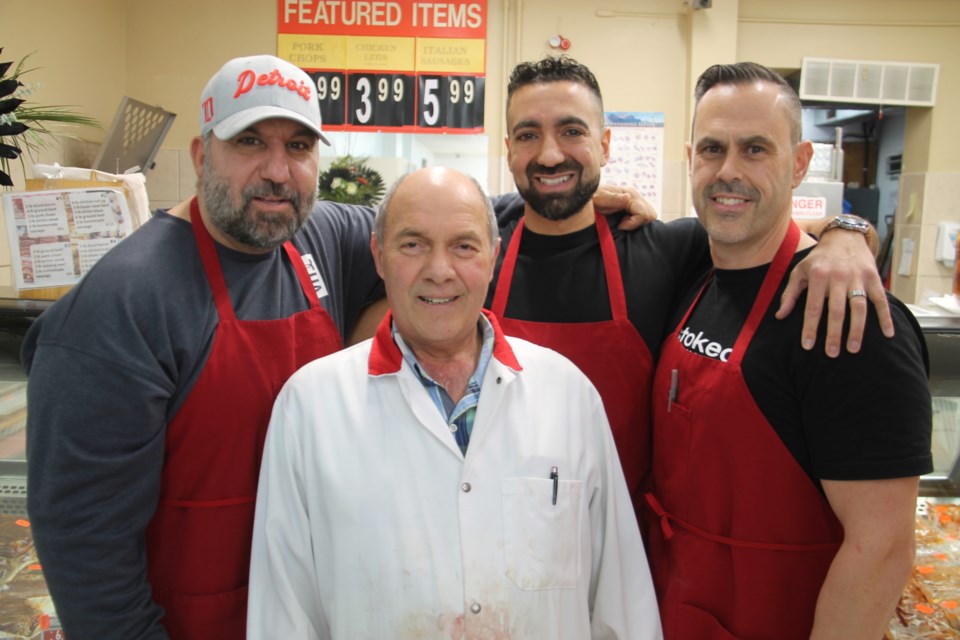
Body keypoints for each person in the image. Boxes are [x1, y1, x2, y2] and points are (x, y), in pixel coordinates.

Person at [22, 55, 386, 639]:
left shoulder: (323, 237)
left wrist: (583, 199)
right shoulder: (125, 303)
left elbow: (443, 229)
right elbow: (85, 547)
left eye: (298, 147)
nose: (277, 171)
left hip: (308, 613)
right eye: (248, 143)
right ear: (200, 156)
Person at [247, 166, 662, 639]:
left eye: (464, 246)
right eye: (413, 244)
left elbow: (620, 602)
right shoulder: (309, 408)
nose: (439, 270)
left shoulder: (569, 396)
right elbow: (282, 614)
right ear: (379, 257)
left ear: (493, 258)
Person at [488, 55, 889, 510]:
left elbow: (773, 230)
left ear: (604, 145)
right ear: (509, 149)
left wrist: (848, 234)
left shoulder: (668, 249)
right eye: (528, 135)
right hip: (501, 526)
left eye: (572, 131)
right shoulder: (476, 249)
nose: (550, 153)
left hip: (627, 546)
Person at [642, 62, 932, 639]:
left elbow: (882, 548)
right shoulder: (695, 271)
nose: (729, 172)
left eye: (755, 149)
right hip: (673, 608)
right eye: (712, 149)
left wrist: (848, 232)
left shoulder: (850, 320)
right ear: (690, 158)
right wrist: (848, 226)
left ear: (799, 163)